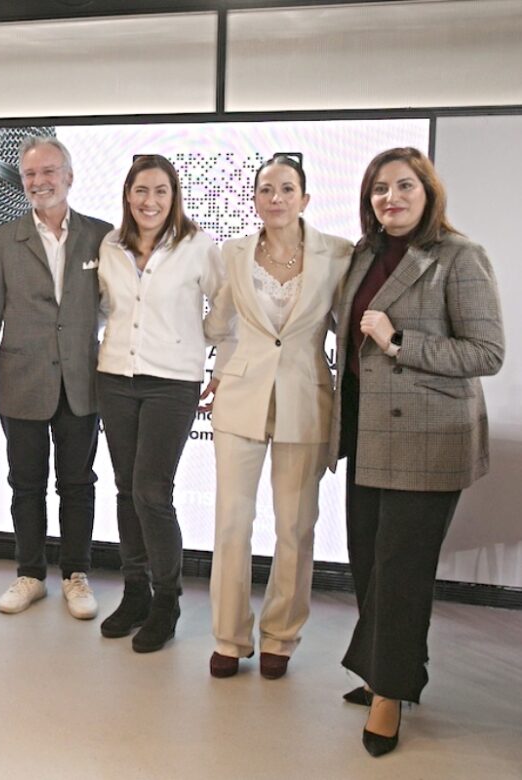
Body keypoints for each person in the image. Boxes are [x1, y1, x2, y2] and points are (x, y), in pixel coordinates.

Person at [328, 147, 504, 757]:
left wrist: (400, 340)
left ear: (428, 192)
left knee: (400, 573)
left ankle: (388, 694)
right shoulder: (363, 254)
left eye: (404, 186)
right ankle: (399, 672)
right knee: (370, 565)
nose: (390, 198)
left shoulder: (459, 257)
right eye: (379, 188)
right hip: (365, 433)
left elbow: (487, 352)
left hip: (429, 438)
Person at [201, 154, 353, 679]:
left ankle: (280, 638)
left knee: (295, 526)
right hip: (240, 398)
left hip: (306, 398)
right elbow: (219, 323)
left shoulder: (338, 254)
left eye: (287, 189)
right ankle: (229, 635)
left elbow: (346, 328)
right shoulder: (233, 253)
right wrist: (222, 368)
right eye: (267, 189)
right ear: (256, 199)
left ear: (305, 198)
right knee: (231, 523)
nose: (276, 198)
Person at [0, 136, 112, 621]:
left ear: (68, 176)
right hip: (20, 382)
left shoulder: (102, 236)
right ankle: (29, 573)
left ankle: (76, 574)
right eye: (30, 175)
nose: (39, 182)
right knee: (25, 484)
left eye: (49, 172)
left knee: (78, 483)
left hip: (81, 383)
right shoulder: (2, 239)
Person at [95, 154, 225, 653]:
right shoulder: (109, 245)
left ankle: (166, 600)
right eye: (141, 191)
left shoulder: (198, 246)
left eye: (161, 192)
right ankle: (134, 594)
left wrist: (202, 341)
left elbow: (226, 303)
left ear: (174, 198)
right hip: (115, 378)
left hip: (172, 382)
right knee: (126, 489)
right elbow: (105, 306)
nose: (150, 201)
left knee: (152, 490)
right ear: (128, 195)